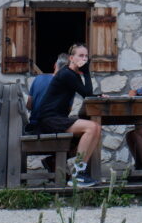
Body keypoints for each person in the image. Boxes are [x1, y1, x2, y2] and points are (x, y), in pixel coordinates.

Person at [35, 43, 102, 186]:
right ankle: (78, 174)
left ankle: (63, 164)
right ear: (71, 58)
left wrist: (99, 96)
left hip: (56, 119)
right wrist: (86, 72)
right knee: (92, 127)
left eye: (86, 56)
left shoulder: (72, 74)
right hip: (49, 120)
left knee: (95, 129)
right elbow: (87, 94)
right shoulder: (67, 74)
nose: (84, 59)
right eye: (80, 55)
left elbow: (88, 94)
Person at [25, 58, 62, 135]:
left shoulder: (38, 78)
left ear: (55, 65)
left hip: (33, 126)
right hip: (52, 128)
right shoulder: (65, 84)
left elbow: (29, 105)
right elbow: (66, 111)